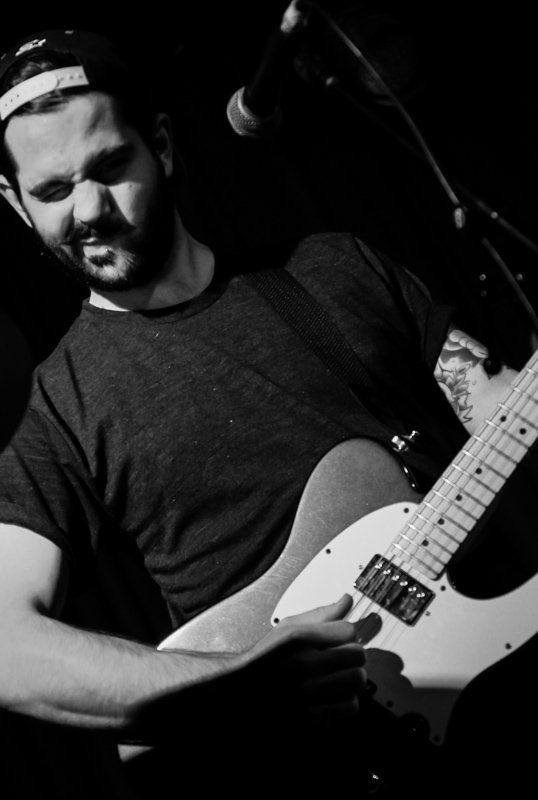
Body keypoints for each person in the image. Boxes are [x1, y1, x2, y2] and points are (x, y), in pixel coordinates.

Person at [0, 27, 535, 798]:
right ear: (15, 205)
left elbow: (499, 412)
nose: (90, 210)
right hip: (306, 769)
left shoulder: (335, 267)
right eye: (53, 192)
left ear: (161, 147)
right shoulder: (54, 408)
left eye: (111, 167)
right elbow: (9, 648)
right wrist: (232, 685)